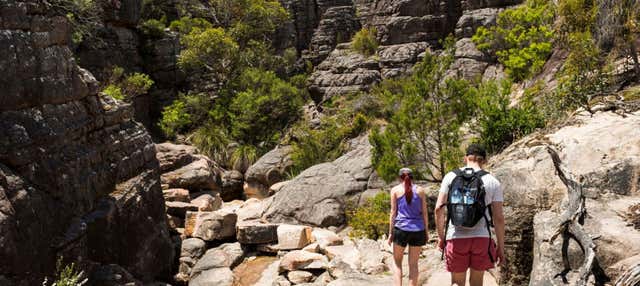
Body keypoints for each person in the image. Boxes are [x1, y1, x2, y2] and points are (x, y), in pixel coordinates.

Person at [434, 144, 505, 286]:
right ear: (484, 160)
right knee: (477, 282)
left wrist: (441, 237)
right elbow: (499, 218)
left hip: (456, 237)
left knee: (457, 283)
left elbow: (438, 209)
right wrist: (500, 248)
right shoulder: (492, 181)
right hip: (482, 238)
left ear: (466, 158)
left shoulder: (450, 177)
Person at [387, 168, 429, 286]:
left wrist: (390, 233)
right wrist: (426, 232)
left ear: (399, 177)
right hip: (418, 230)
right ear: (412, 177)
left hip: (400, 229)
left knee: (397, 263)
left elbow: (393, 213)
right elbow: (425, 213)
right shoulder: (420, 191)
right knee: (414, 265)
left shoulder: (395, 190)